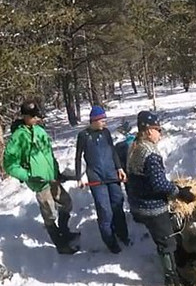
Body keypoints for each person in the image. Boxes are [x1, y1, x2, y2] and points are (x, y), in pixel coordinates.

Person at [127, 110, 196, 286]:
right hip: (152, 207)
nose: (160, 133)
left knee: (172, 227)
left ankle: (181, 258)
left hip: (138, 202)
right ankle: (172, 279)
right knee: (166, 243)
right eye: (158, 129)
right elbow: (158, 184)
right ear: (149, 130)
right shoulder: (150, 153)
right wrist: (180, 192)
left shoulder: (134, 146)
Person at [3, 101, 79, 254]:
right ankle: (61, 245)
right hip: (39, 183)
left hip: (52, 178)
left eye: (37, 115)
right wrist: (27, 176)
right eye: (33, 116)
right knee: (50, 215)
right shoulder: (19, 137)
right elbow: (9, 164)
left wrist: (57, 171)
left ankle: (64, 231)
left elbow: (49, 153)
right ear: (25, 116)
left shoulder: (40, 130)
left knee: (67, 203)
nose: (37, 118)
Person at [75, 106, 129, 253]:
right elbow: (78, 156)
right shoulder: (83, 135)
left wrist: (119, 168)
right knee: (105, 210)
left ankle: (123, 234)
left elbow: (112, 151)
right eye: (102, 120)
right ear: (94, 120)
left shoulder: (106, 133)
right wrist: (79, 176)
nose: (105, 122)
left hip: (112, 174)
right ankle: (110, 241)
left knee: (118, 204)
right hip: (96, 178)